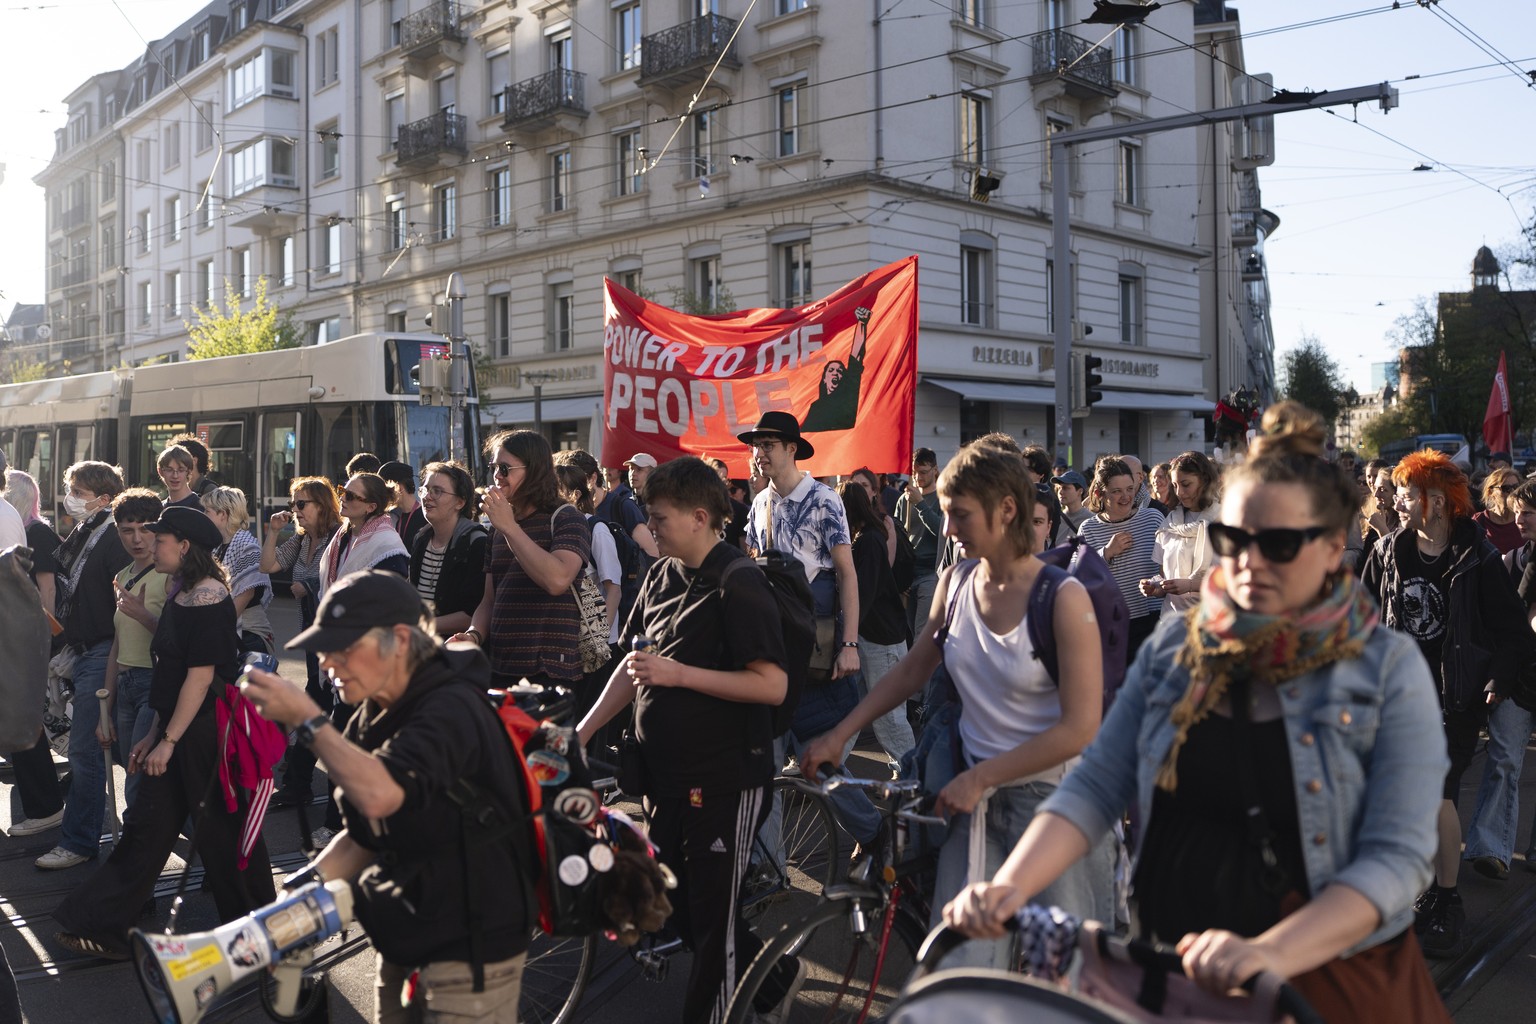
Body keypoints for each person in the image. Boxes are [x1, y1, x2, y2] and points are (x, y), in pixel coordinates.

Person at [944, 403, 1452, 1022]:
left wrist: (1267, 952)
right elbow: (1099, 783)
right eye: (1233, 540)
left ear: (1330, 550)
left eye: (1279, 545)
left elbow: (1398, 858)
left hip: (1324, 987)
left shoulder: (1386, 670)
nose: (1247, 563)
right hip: (1177, 981)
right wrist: (1009, 885)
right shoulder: (1177, 652)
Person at [805, 441, 1114, 970]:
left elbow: (1081, 728)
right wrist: (841, 732)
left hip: (1054, 809)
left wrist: (980, 777)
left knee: (1061, 983)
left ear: (1007, 511)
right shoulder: (959, 580)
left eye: (960, 515)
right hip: (973, 804)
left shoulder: (1062, 598)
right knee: (957, 973)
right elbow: (912, 670)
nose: (948, 530)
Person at [240, 570, 531, 1023]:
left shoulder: (451, 707)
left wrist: (308, 721)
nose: (326, 663)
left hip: (469, 942)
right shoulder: (373, 711)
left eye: (343, 648)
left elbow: (380, 796)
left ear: (399, 639)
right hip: (408, 928)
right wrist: (294, 906)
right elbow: (361, 837)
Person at [576, 457, 796, 1024]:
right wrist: (584, 730)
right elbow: (633, 665)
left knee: (712, 922)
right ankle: (776, 983)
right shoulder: (659, 573)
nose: (650, 526)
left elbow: (772, 685)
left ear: (701, 517)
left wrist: (680, 675)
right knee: (681, 909)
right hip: (664, 776)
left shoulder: (738, 583)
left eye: (660, 517)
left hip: (723, 779)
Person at [53, 506, 276, 958]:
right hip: (176, 726)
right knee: (147, 828)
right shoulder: (183, 591)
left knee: (224, 831)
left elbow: (200, 679)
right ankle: (97, 922)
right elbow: (171, 673)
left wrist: (168, 742)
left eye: (159, 540)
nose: (150, 546)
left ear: (185, 546)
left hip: (204, 734)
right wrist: (153, 733)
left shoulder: (210, 598)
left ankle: (262, 932)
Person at [1361, 448, 1528, 957]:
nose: (1398, 501)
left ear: (1436, 501)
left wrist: (1497, 679)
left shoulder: (1476, 557)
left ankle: (1446, 901)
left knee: (1437, 793)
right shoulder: (1389, 551)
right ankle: (1419, 890)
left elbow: (1514, 632)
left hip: (1455, 697)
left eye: (1408, 494)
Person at [37, 460, 130, 871]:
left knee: (86, 750)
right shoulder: (86, 531)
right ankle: (203, 827)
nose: (70, 497)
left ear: (104, 499)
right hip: (83, 648)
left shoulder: (112, 536)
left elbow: (119, 598)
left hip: (103, 650)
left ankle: (79, 841)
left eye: (78, 490)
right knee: (121, 748)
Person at [453, 430, 590, 690]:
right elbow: (490, 600)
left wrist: (510, 528)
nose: (497, 476)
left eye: (505, 468)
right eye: (494, 467)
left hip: (548, 672)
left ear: (535, 470)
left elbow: (557, 580)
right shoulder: (498, 526)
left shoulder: (566, 517)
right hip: (501, 667)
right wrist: (473, 634)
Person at [1464, 478, 1536, 881]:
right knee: (1504, 758)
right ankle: (1490, 847)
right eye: (1518, 510)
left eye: (1528, 512)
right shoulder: (1510, 562)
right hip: (1517, 676)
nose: (1519, 518)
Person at [261, 477, 342, 810]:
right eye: (293, 503)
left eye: (301, 504)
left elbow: (343, 575)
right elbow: (268, 566)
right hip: (311, 634)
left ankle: (301, 784)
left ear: (322, 505)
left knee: (320, 707)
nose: (295, 510)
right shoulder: (301, 538)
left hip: (333, 638)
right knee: (317, 706)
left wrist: (308, 585)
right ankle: (300, 783)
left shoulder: (339, 535)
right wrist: (271, 532)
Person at [2, 465, 64, 838]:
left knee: (19, 717)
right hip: (10, 627)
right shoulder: (8, 514)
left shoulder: (4, 516)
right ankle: (45, 804)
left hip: (8, 630)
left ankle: (45, 805)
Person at [837, 481, 915, 771]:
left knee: (887, 716)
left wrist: (847, 632)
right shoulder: (868, 537)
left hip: (879, 639)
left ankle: (913, 777)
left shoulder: (867, 541)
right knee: (850, 710)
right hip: (871, 636)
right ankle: (831, 767)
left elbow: (864, 592)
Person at [100, 488, 168, 811]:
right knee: (135, 773)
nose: (137, 538)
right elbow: (117, 643)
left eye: (146, 528)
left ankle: (136, 848)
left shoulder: (170, 574)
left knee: (137, 777)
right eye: (128, 530)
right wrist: (107, 706)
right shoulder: (122, 576)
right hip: (125, 687)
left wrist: (144, 615)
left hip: (154, 683)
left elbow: (178, 640)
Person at [1078, 456, 1166, 662]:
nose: (1126, 496)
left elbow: (1169, 568)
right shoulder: (1088, 528)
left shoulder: (1153, 518)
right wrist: (1106, 552)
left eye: (1129, 488)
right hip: (1111, 625)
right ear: (1101, 493)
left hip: (1152, 621)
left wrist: (1158, 585)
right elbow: (1080, 575)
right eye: (1117, 491)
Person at [410, 461, 490, 638]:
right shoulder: (421, 538)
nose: (427, 497)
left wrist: (422, 625)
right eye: (424, 489)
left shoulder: (476, 543)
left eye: (437, 491)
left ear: (460, 502)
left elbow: (475, 613)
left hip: (456, 652)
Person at [1141, 451, 1220, 618]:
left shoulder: (1223, 519)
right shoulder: (1170, 522)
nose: (1180, 493)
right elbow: (1164, 574)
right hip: (1171, 622)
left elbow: (1231, 580)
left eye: (1186, 484)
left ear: (1205, 481)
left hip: (1210, 622)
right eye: (1175, 485)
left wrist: (1191, 585)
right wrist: (1156, 587)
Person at [201, 486, 275, 655]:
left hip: (250, 636)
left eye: (207, 511)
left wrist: (214, 628)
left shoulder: (246, 545)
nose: (203, 516)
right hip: (229, 629)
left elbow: (246, 594)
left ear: (223, 514)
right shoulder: (217, 545)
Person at [321, 473, 410, 594]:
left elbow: (390, 599)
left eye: (350, 496)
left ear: (371, 507)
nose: (342, 498)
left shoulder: (388, 545)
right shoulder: (343, 534)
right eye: (342, 491)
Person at [896, 447, 943, 640]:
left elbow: (941, 532)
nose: (918, 477)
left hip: (931, 572)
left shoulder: (942, 498)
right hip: (909, 573)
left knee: (922, 634)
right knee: (910, 631)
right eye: (915, 472)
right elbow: (898, 537)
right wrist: (900, 574)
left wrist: (921, 505)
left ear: (935, 470)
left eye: (923, 472)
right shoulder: (904, 500)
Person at [800, 305, 869, 433]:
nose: (836, 373)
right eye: (831, 370)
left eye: (840, 371)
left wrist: (861, 323)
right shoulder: (816, 407)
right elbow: (805, 433)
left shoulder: (849, 393)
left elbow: (856, 355)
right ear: (824, 378)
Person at [1472, 467, 1523, 554]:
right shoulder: (1480, 520)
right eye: (1506, 488)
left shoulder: (1526, 517)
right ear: (1490, 492)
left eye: (1516, 487)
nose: (1512, 492)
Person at [379, 460, 428, 550]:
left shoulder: (426, 517)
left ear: (399, 487)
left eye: (386, 490)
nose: (384, 496)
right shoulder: (398, 518)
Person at [156, 445, 202, 510]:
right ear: (160, 471)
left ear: (189, 471)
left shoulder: (201, 508)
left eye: (181, 470)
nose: (175, 476)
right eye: (169, 470)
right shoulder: (158, 509)